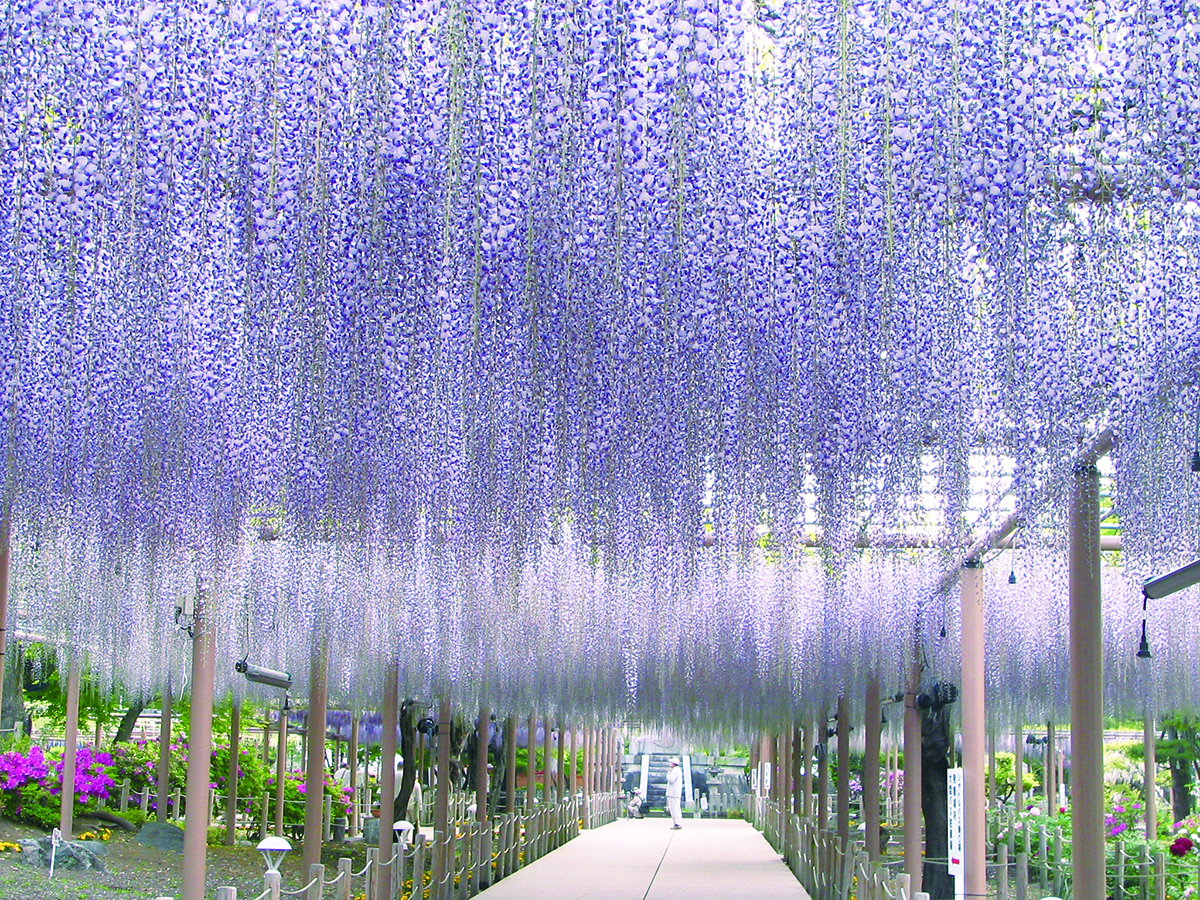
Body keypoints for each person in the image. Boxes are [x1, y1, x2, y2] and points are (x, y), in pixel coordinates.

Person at [665, 758, 684, 829]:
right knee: (677, 807)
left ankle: (677, 823)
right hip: (676, 792)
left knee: (674, 808)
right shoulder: (678, 770)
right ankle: (678, 821)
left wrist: (668, 774)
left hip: (673, 792)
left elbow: (671, 779)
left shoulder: (675, 771)